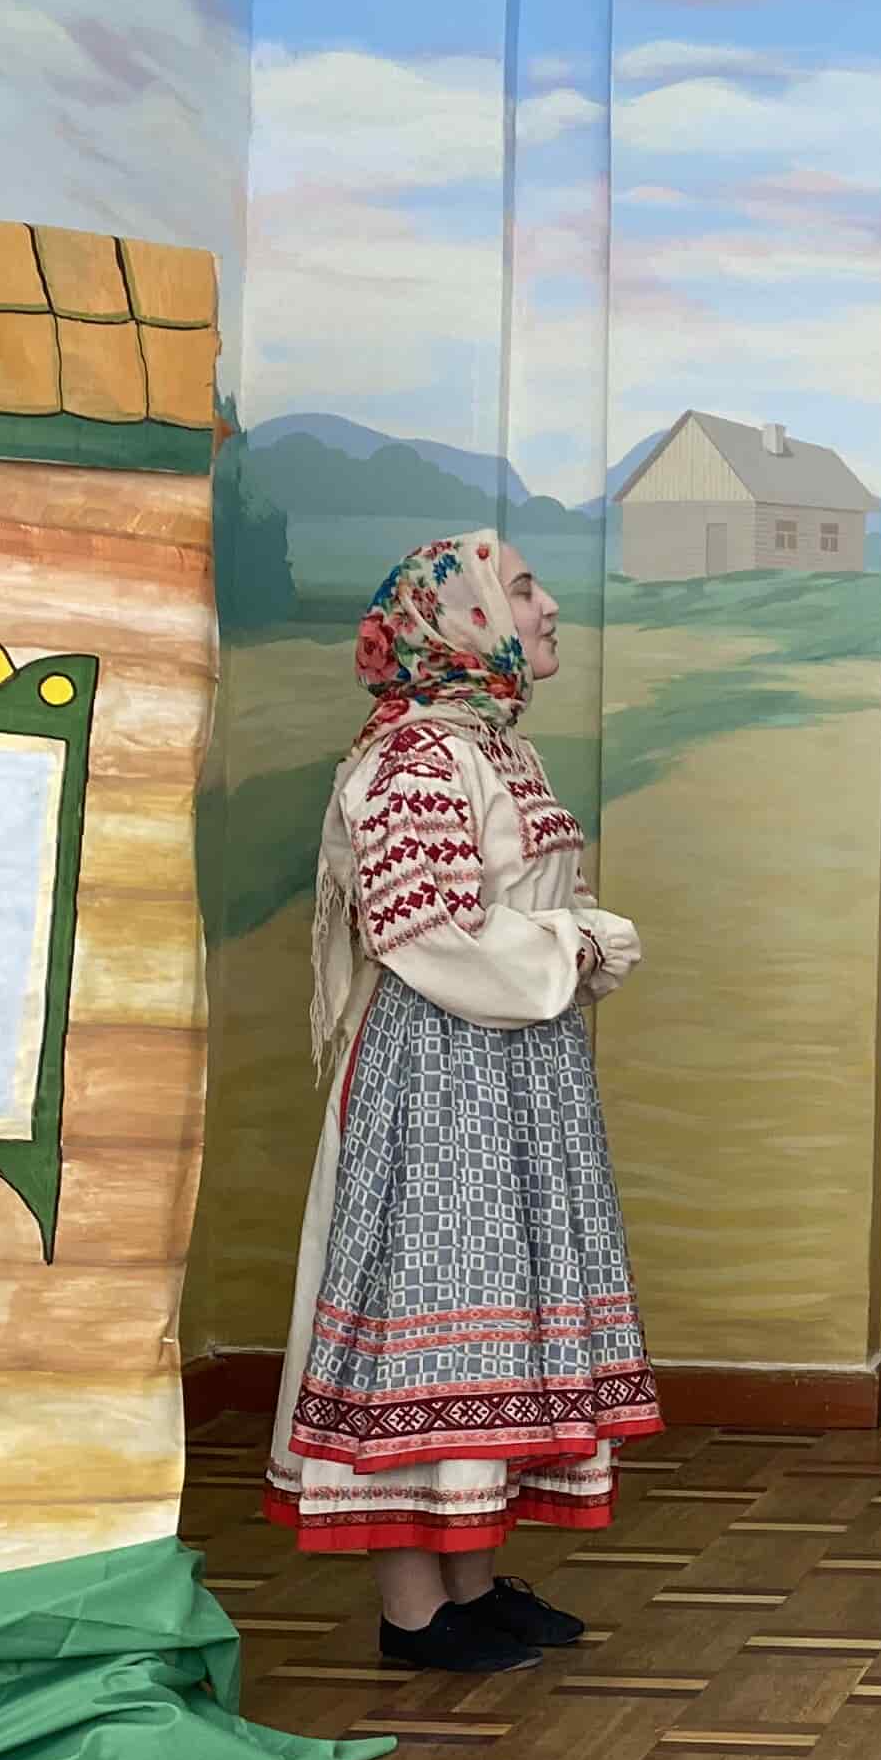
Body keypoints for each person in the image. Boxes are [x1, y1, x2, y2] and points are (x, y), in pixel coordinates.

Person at [265, 531, 657, 1673]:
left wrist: (566, 939)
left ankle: (472, 1586)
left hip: (514, 1068)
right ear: (461, 618)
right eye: (523, 590)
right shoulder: (415, 759)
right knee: (422, 1323)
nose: (549, 608)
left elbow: (524, 905)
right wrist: (578, 944)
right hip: (438, 1072)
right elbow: (431, 934)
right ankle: (412, 1611)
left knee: (502, 1314)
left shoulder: (492, 746)